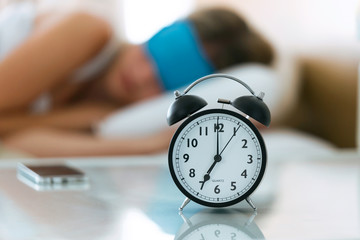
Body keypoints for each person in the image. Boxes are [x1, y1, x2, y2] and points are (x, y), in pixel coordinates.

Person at [0, 2, 274, 157]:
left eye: (163, 79)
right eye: (153, 54)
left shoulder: (108, 115)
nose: (141, 75)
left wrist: (151, 144)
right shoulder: (88, 32)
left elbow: (16, 144)